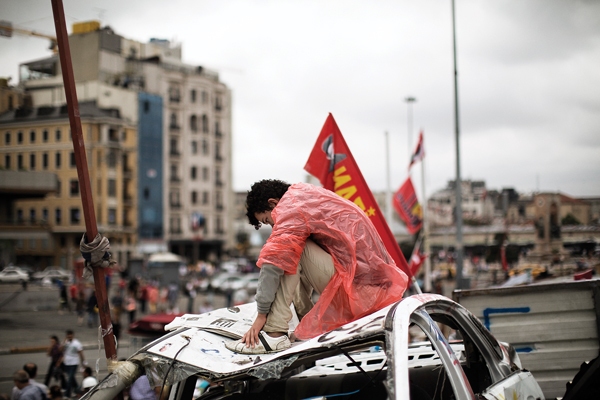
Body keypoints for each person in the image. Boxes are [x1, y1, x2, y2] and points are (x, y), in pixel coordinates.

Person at [225, 180, 408, 355]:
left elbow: (272, 265)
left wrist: (261, 316)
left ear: (273, 203)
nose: (273, 227)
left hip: (361, 296)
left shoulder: (291, 209)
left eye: (268, 220)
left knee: (292, 250)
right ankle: (304, 318)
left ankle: (275, 333)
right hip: (370, 293)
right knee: (293, 246)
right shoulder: (304, 195)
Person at [60, 330, 86, 398]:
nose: (69, 337)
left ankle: (66, 394)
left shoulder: (76, 343)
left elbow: (81, 353)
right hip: (66, 363)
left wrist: (83, 362)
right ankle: (77, 390)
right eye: (68, 335)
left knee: (69, 379)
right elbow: (60, 350)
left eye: (70, 335)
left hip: (74, 363)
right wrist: (64, 343)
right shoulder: (65, 342)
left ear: (73, 335)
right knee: (72, 379)